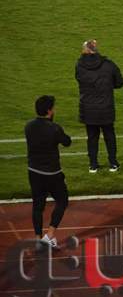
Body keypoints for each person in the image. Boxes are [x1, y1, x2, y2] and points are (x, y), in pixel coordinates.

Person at [24, 96, 72, 247]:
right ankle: (49, 235)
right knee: (62, 200)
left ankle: (38, 239)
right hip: (52, 173)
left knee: (38, 205)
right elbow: (67, 142)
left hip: (33, 171)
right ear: (49, 111)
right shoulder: (54, 128)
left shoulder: (28, 126)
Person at [75, 39, 123, 173]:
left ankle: (93, 165)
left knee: (92, 136)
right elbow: (119, 83)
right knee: (109, 135)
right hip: (105, 107)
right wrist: (107, 86)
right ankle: (113, 163)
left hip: (88, 108)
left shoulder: (79, 66)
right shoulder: (108, 65)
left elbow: (79, 79)